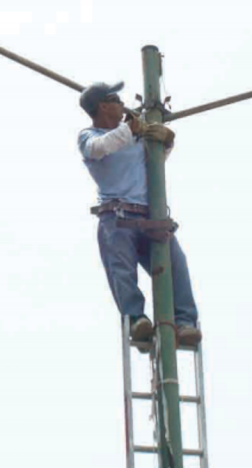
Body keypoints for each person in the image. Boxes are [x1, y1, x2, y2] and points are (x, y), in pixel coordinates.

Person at [77, 81, 202, 346]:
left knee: (175, 264)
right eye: (117, 99)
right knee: (121, 270)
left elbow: (151, 164)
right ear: (103, 105)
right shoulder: (89, 136)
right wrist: (130, 129)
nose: (123, 104)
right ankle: (136, 319)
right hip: (117, 218)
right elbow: (100, 148)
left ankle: (185, 321)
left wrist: (165, 142)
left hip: (149, 215)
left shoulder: (132, 136)